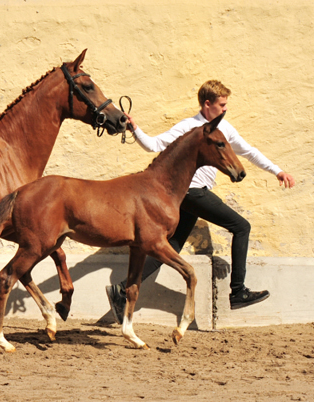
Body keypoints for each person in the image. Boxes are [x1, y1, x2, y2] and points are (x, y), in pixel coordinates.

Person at [106, 80, 296, 325]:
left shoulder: (223, 128)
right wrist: (134, 128)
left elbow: (248, 151)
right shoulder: (189, 127)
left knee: (171, 246)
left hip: (190, 196)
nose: (225, 109)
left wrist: (277, 171)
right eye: (222, 104)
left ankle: (121, 290)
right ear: (207, 104)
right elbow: (154, 145)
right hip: (192, 193)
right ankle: (238, 291)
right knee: (242, 227)